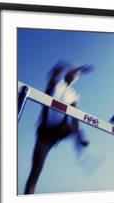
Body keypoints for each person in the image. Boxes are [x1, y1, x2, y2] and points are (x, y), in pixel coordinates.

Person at [24, 62, 93, 194]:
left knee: (76, 116)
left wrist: (80, 137)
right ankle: (28, 197)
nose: (74, 76)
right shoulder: (57, 84)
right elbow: (57, 69)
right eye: (72, 73)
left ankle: (80, 147)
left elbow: (75, 117)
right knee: (36, 170)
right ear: (67, 73)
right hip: (45, 132)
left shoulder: (74, 95)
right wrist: (79, 68)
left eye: (76, 75)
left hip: (60, 130)